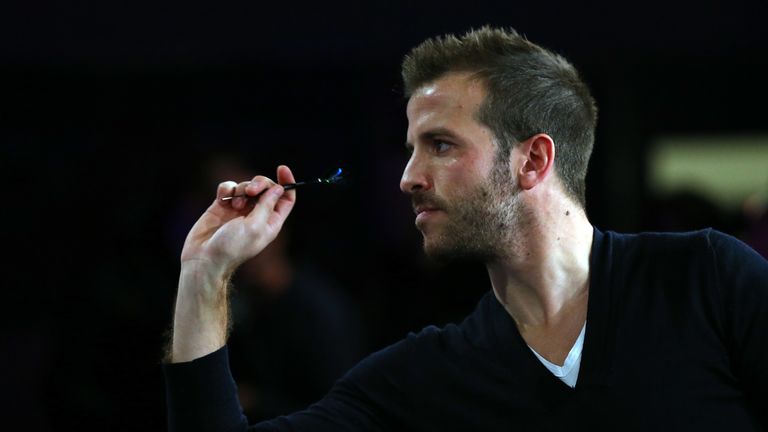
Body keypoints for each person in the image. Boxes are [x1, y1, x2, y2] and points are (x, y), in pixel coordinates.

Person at [163, 27, 768, 430]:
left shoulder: (706, 279)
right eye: (410, 149)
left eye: (441, 145)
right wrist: (202, 274)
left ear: (532, 160)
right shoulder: (425, 377)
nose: (408, 177)